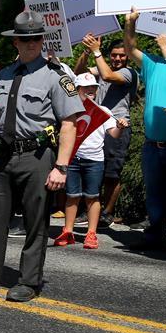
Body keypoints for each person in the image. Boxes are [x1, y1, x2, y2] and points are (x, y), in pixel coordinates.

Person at [0, 10, 84, 302]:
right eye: (25, 39)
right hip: (3, 157)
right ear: (15, 42)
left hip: (36, 156)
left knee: (35, 221)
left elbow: (70, 123)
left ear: (42, 40)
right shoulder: (3, 75)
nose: (31, 44)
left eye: (36, 39)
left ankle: (29, 281)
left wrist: (61, 167)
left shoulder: (57, 77)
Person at [52, 73, 127, 250]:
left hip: (94, 160)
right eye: (86, 88)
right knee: (72, 195)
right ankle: (68, 230)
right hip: (73, 159)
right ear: (77, 90)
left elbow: (114, 134)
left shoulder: (103, 111)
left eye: (93, 87)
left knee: (92, 196)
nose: (91, 90)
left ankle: (91, 233)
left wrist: (120, 127)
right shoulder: (69, 109)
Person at [73, 33, 138, 228]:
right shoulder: (102, 69)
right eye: (114, 55)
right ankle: (91, 210)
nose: (118, 59)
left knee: (112, 173)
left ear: (127, 57)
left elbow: (109, 76)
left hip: (117, 127)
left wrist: (96, 51)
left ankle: (107, 213)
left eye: (122, 55)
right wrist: (86, 51)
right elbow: (79, 73)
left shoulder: (129, 73)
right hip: (97, 127)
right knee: (94, 170)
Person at [123, 9, 166, 249]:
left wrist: (165, 48)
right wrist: (130, 24)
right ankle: (156, 235)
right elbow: (130, 49)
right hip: (153, 145)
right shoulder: (154, 64)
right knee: (155, 194)